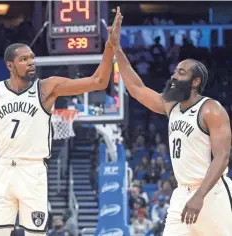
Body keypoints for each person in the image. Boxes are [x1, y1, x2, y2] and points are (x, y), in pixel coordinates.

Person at [0, 8, 122, 236]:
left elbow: (98, 81)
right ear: (10, 65)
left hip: (33, 171)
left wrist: (110, 45)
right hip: (2, 170)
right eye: (24, 59)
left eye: (32, 57)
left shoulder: (48, 87)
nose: (31, 62)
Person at [107, 7, 232, 236]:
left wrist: (200, 196)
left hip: (212, 193)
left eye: (181, 73)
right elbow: (136, 88)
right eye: (175, 71)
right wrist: (116, 47)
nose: (174, 76)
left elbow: (223, 157)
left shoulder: (211, 109)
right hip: (182, 193)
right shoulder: (170, 105)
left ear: (195, 82)